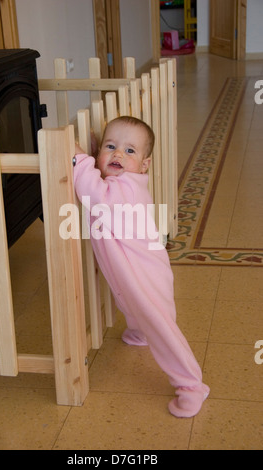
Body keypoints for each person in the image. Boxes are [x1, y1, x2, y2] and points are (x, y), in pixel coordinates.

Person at [73, 116, 209, 418]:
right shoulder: (119, 182)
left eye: (130, 151)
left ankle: (190, 385)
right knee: (133, 308)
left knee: (162, 327)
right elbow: (102, 179)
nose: (118, 154)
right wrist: (96, 152)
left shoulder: (127, 190)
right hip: (131, 273)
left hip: (146, 275)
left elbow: (93, 193)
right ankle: (140, 333)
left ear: (144, 165)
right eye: (111, 146)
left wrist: (80, 159)